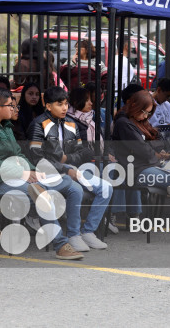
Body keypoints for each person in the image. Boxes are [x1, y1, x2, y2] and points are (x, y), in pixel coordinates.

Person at [0, 87, 86, 260]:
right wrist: (21, 172)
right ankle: (60, 244)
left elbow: (18, 154)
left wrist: (32, 171)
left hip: (18, 177)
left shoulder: (5, 126)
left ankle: (73, 235)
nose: (14, 110)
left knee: (70, 184)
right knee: (43, 196)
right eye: (10, 106)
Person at [112, 90, 170, 243]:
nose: (146, 116)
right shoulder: (123, 123)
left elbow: (159, 141)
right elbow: (141, 149)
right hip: (138, 171)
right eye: (145, 112)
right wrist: (156, 156)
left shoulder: (140, 120)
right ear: (135, 106)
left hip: (156, 165)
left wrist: (156, 152)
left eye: (149, 113)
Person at [26, 86, 111, 252]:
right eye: (59, 104)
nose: (64, 108)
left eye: (66, 104)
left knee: (106, 188)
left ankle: (88, 232)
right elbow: (37, 158)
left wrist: (67, 161)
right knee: (76, 190)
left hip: (71, 169)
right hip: (48, 173)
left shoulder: (72, 123)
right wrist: (64, 168)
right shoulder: (37, 125)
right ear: (48, 106)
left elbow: (84, 152)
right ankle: (73, 235)